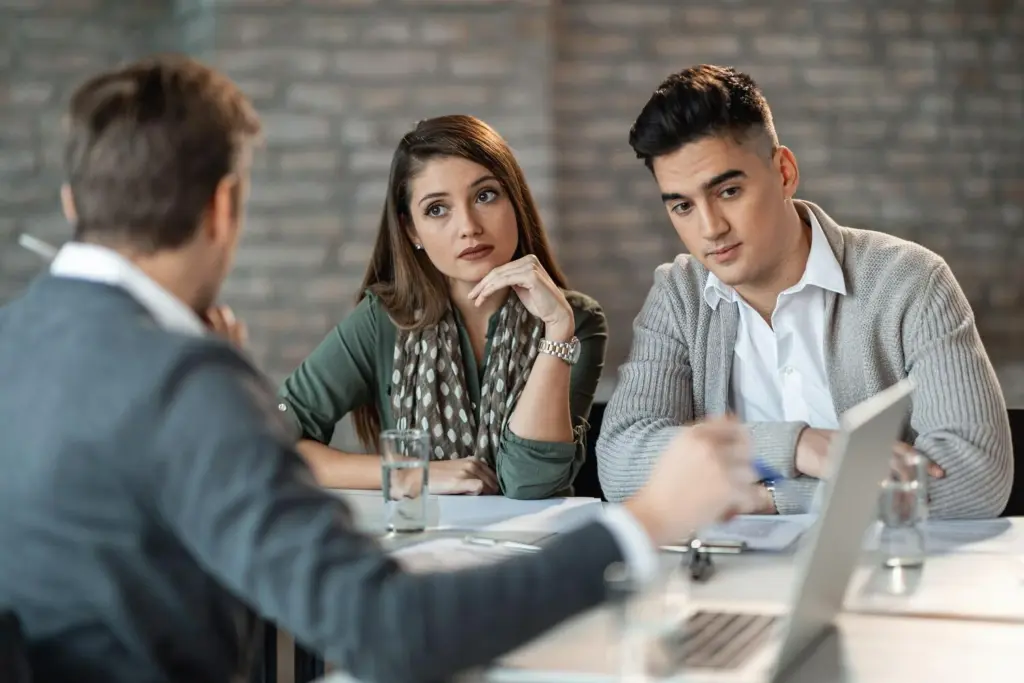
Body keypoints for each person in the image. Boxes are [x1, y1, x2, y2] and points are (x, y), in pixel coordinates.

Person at [0, 55, 761, 683]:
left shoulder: (18, 340)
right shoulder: (188, 382)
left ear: (75, 201)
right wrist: (648, 519)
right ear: (225, 207)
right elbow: (392, 634)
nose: (466, 225)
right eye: (436, 209)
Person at [596, 64, 1013, 520]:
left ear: (785, 173)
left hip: (882, 574)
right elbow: (621, 465)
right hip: (727, 582)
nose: (710, 228)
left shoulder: (910, 281)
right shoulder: (680, 295)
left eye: (729, 190)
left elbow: (976, 477)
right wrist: (794, 446)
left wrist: (773, 499)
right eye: (682, 206)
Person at [278, 115, 607, 499]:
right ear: (412, 230)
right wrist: (414, 474)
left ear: (515, 201)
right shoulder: (383, 320)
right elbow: (272, 444)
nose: (468, 226)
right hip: (419, 542)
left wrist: (555, 331)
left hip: (538, 547)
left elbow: (529, 481)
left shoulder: (576, 322)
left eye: (485, 196)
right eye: (437, 209)